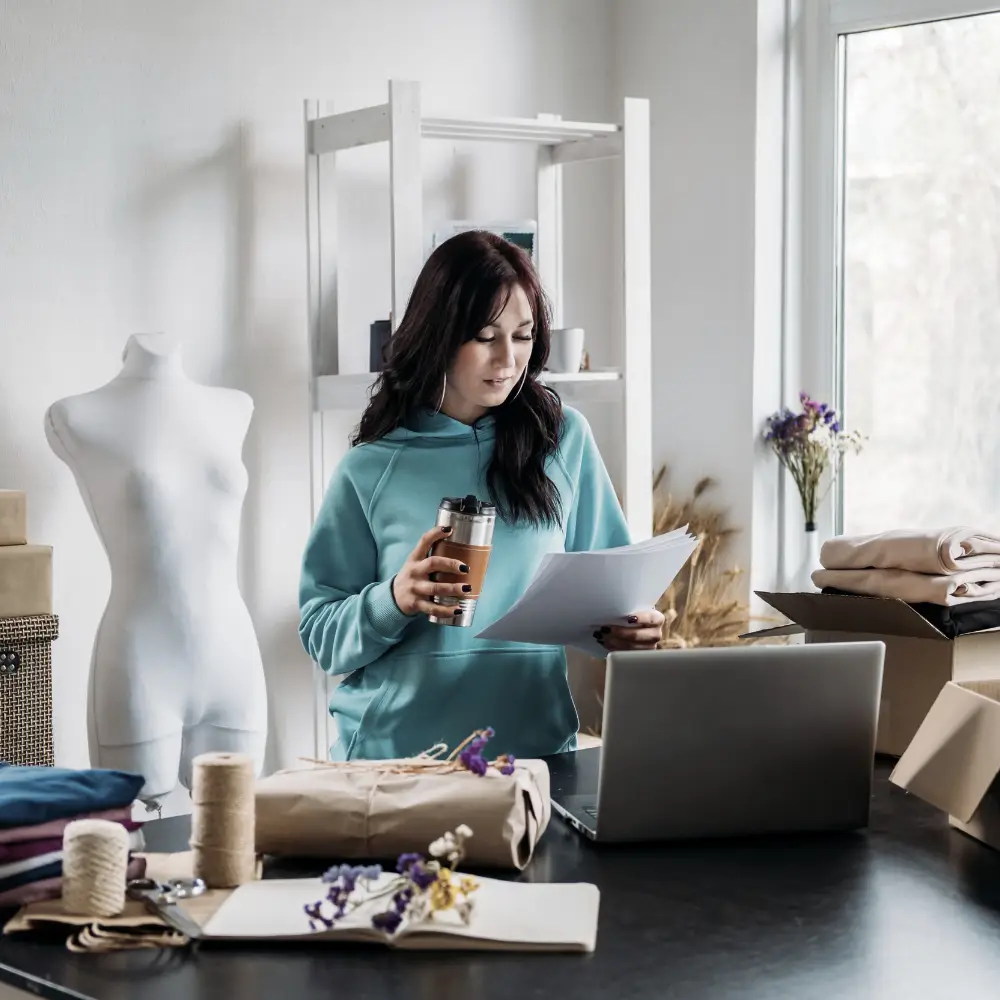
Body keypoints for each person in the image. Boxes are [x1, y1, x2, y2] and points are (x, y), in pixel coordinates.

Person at [298, 231, 665, 761]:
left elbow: (613, 593)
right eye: (486, 336)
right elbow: (320, 633)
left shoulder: (563, 440)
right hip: (396, 762)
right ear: (439, 334)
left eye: (523, 335)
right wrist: (395, 599)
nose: (508, 359)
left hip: (534, 757)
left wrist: (632, 628)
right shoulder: (371, 467)